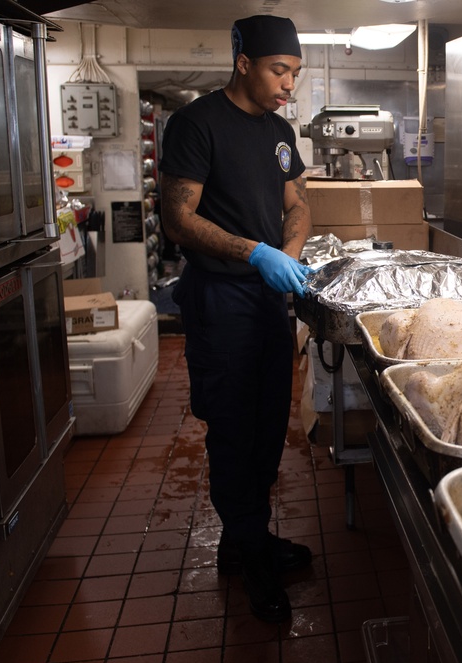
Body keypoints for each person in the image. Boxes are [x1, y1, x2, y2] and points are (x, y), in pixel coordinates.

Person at [158, 14, 313, 624]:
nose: (288, 84)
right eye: (279, 70)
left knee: (269, 422)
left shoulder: (279, 131)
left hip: (266, 300)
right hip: (220, 300)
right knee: (232, 426)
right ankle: (251, 554)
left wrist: (287, 256)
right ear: (243, 62)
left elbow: (297, 202)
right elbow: (179, 218)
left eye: (295, 72)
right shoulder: (197, 124)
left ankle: (244, 539)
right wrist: (254, 252)